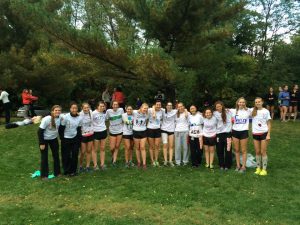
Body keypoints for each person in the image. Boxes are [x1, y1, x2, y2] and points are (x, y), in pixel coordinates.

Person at [37, 105, 62, 180]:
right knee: (44, 157)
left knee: (56, 156)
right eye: (56, 110)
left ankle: (57, 173)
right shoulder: (47, 119)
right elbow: (39, 131)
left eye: (59, 110)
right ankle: (44, 175)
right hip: (44, 139)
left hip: (54, 139)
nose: (57, 112)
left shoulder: (60, 117)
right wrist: (41, 143)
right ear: (52, 111)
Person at [59, 103, 82, 176]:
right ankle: (66, 170)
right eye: (73, 108)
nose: (74, 110)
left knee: (75, 155)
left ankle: (73, 171)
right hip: (66, 138)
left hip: (75, 138)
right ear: (70, 109)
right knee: (66, 155)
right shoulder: (65, 117)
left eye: (76, 108)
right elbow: (61, 129)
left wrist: (79, 141)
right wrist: (62, 139)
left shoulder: (80, 118)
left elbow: (79, 130)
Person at [229, 97, 251, 173]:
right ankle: (238, 165)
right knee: (237, 150)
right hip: (235, 132)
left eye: (243, 102)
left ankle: (243, 167)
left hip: (244, 132)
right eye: (240, 102)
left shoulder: (248, 111)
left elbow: (258, 110)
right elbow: (221, 110)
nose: (241, 103)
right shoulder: (233, 111)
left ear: (245, 103)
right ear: (237, 103)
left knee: (244, 150)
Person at [252, 97, 271, 176]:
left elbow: (269, 123)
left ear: (262, 102)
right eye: (256, 102)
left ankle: (264, 169)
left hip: (264, 133)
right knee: (257, 152)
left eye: (259, 102)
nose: (257, 103)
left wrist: (268, 134)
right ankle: (258, 168)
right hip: (255, 133)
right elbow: (243, 108)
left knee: (263, 151)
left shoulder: (266, 111)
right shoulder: (253, 111)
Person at [214, 101, 232, 171]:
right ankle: (221, 164)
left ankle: (228, 165)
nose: (218, 108)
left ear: (222, 106)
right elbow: (205, 113)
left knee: (228, 150)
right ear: (215, 108)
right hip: (219, 134)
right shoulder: (215, 113)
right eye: (217, 107)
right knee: (219, 150)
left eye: (219, 106)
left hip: (228, 134)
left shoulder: (229, 112)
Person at [106, 101, 124, 166]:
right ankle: (113, 155)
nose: (115, 106)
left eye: (116, 104)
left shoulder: (121, 110)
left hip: (120, 130)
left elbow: (125, 117)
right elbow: (105, 118)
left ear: (118, 105)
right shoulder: (108, 111)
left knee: (117, 146)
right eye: (114, 104)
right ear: (112, 105)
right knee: (112, 148)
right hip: (112, 131)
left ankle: (114, 161)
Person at [132, 103, 149, 169]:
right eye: (144, 108)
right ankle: (139, 162)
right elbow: (128, 110)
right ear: (141, 108)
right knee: (137, 148)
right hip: (136, 131)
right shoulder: (135, 112)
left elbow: (154, 108)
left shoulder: (147, 113)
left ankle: (144, 163)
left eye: (147, 108)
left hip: (144, 131)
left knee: (142, 147)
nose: (145, 109)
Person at [92, 101, 107, 170]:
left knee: (103, 148)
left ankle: (102, 164)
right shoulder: (93, 113)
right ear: (97, 106)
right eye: (100, 106)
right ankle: (95, 165)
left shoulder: (104, 112)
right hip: (96, 132)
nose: (102, 107)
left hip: (103, 131)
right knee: (95, 149)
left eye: (103, 106)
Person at [147, 101, 163, 166]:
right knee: (151, 146)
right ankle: (152, 160)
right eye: (157, 105)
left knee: (157, 146)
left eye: (159, 105)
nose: (158, 106)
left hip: (158, 129)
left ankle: (156, 160)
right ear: (154, 105)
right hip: (150, 129)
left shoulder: (162, 111)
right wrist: (153, 110)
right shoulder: (150, 110)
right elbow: (143, 109)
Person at [79, 103, 94, 172]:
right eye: (85, 108)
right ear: (82, 108)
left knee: (89, 151)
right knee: (83, 152)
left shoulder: (91, 112)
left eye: (87, 107)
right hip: (83, 135)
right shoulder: (79, 114)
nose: (86, 109)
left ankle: (87, 166)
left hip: (90, 134)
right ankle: (80, 166)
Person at [161, 102, 177, 167]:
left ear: (172, 106)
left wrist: (186, 111)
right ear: (166, 106)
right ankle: (165, 161)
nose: (169, 106)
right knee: (165, 145)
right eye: (168, 105)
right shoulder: (163, 110)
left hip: (171, 130)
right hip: (164, 130)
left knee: (171, 146)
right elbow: (154, 107)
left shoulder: (175, 111)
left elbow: (183, 109)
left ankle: (170, 161)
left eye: (171, 105)